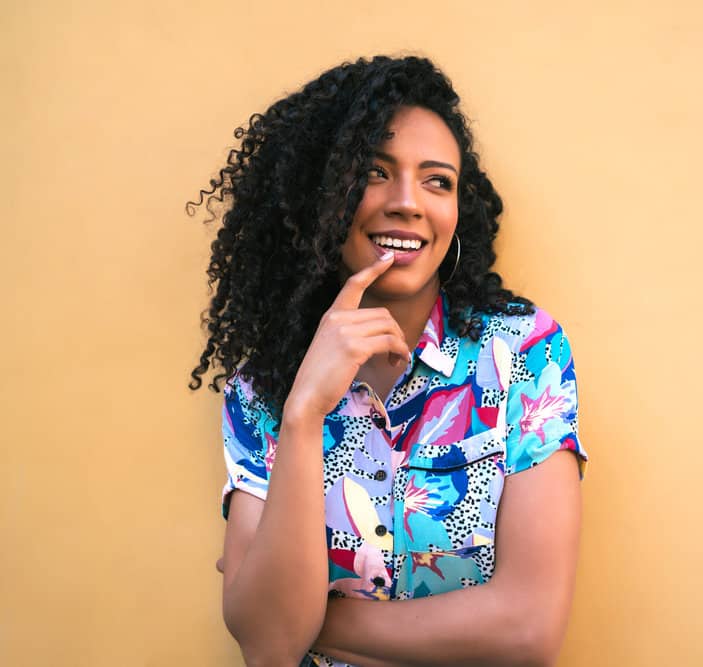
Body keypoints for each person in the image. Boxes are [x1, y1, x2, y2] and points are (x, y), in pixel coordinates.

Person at [189, 56, 587, 667]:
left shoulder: (523, 354)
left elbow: (528, 630)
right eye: (374, 172)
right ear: (323, 195)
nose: (407, 203)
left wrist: (317, 618)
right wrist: (303, 413)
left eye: (436, 180)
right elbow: (268, 650)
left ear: (458, 213)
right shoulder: (265, 389)